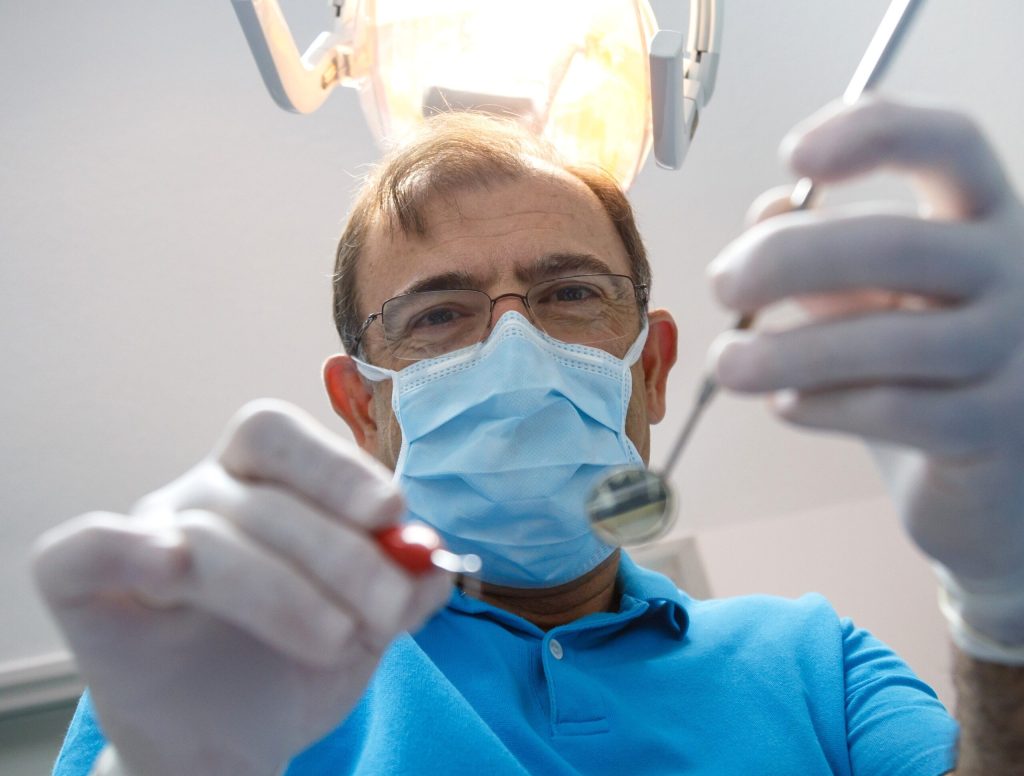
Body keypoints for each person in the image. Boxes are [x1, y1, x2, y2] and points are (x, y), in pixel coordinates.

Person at [35, 97, 1024, 775]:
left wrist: (1004, 603)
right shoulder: (231, 656)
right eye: (438, 314)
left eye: (568, 293)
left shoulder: (818, 662)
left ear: (652, 367)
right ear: (362, 406)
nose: (514, 347)